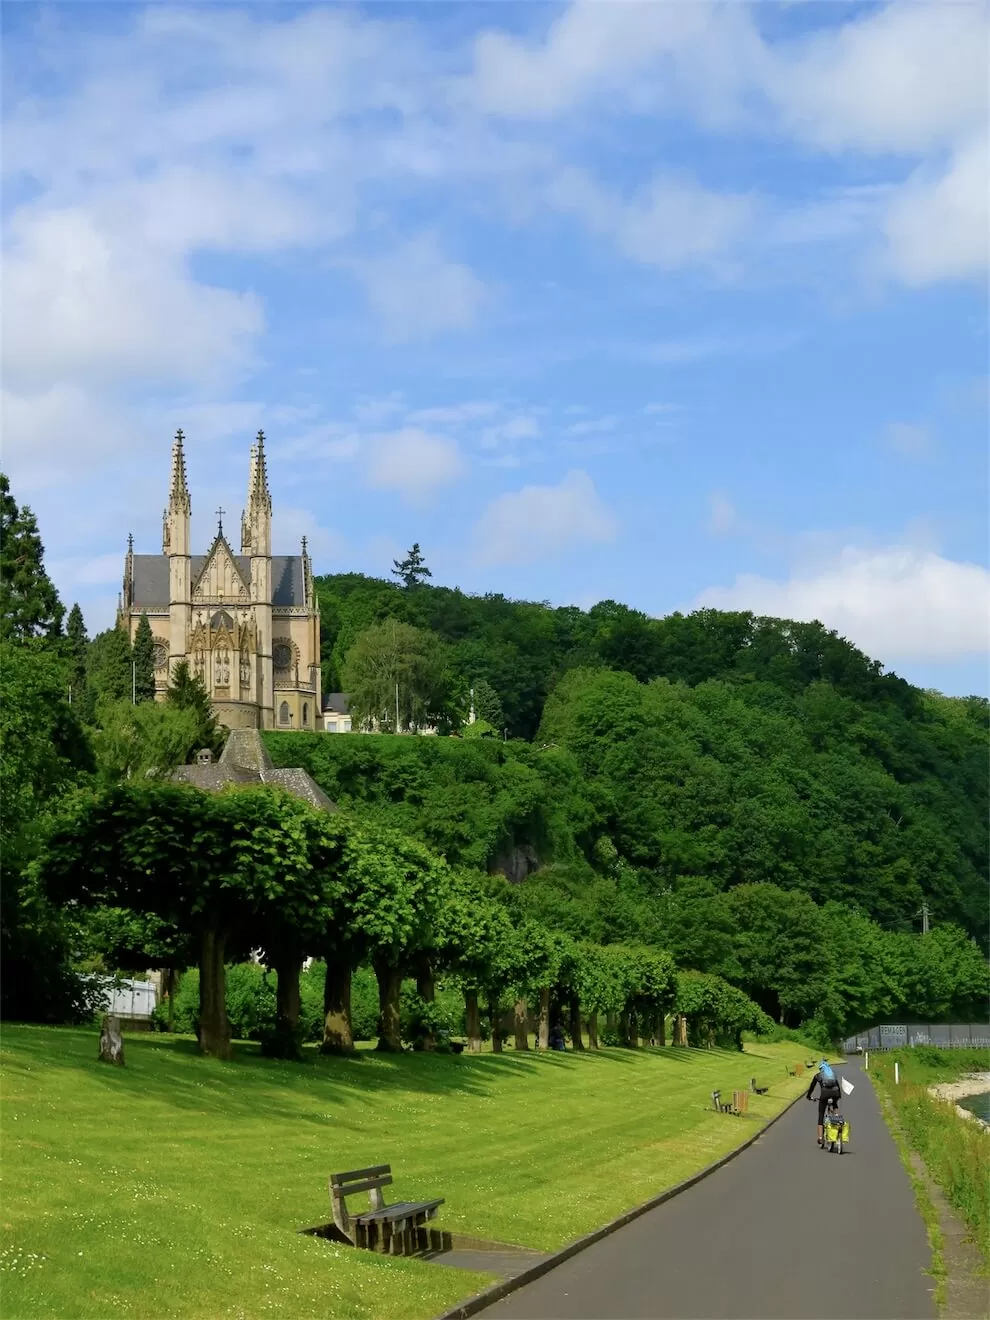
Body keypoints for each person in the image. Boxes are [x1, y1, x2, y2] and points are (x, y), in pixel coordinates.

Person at [806, 1059, 842, 1146]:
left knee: (821, 1114)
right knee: (834, 1104)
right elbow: (838, 1086)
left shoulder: (818, 1075)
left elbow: (812, 1087)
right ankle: (837, 1119)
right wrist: (838, 1097)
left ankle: (821, 1138)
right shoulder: (833, 1075)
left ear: (820, 1069)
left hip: (825, 1094)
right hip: (835, 1093)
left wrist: (809, 1096)